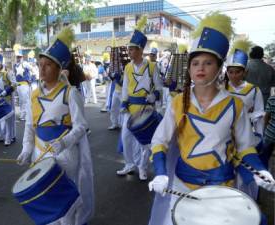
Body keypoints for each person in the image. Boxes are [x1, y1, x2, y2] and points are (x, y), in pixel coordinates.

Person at [148, 12, 275, 225]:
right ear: (189, 68)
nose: (200, 67)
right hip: (182, 187)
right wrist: (160, 172)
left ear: (219, 69)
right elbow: (159, 141)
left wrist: (259, 171)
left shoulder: (236, 105)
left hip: (222, 189)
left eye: (208, 63)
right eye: (195, 62)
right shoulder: (178, 102)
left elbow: (245, 147)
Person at [16, 27, 94, 225]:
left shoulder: (70, 93)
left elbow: (81, 126)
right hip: (40, 153)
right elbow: (29, 126)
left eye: (48, 65)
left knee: (64, 204)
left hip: (65, 155)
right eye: (40, 64)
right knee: (48, 201)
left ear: (59, 68)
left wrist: (64, 143)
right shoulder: (34, 94)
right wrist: (26, 149)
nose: (42, 69)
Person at [117, 16, 163, 180]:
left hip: (146, 109)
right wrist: (123, 103)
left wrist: (155, 95)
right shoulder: (128, 67)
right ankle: (129, 164)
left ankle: (142, 167)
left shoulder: (152, 66)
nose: (129, 52)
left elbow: (159, 86)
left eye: (132, 49)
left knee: (144, 142)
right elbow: (125, 87)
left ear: (140, 50)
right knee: (126, 137)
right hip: (130, 108)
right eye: (129, 49)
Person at [225, 38, 265, 199]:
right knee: (226, 172)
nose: (234, 75)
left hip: (245, 137)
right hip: (224, 136)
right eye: (231, 71)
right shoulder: (220, 89)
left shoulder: (253, 91)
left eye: (238, 71)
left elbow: (260, 114)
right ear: (226, 72)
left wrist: (259, 136)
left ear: (245, 72)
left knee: (243, 174)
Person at [13, 48, 32, 121]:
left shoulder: (25, 63)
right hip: (18, 86)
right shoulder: (15, 65)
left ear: (22, 57)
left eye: (20, 57)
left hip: (25, 85)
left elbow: (32, 69)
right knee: (21, 101)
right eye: (17, 57)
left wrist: (30, 79)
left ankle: (25, 116)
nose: (19, 58)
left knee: (25, 101)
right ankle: (22, 115)